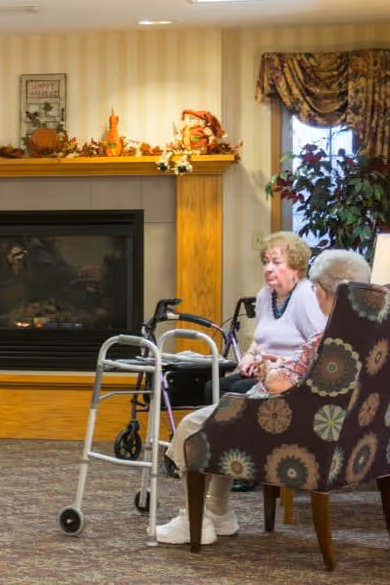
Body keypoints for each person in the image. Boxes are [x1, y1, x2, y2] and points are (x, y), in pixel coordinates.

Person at [157, 249, 371, 545]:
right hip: (342, 433)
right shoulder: (371, 333)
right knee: (222, 412)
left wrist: (268, 372)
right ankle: (219, 513)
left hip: (291, 429)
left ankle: (194, 522)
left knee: (195, 425)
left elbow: (281, 386)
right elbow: (317, 377)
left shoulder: (329, 337)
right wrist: (279, 365)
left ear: (320, 290)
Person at [208, 231, 326, 398]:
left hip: (287, 376)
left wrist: (280, 363)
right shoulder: (265, 294)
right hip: (261, 368)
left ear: (296, 268)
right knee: (213, 387)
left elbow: (318, 345)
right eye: (266, 262)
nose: (269, 269)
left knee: (234, 393)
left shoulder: (306, 295)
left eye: (277, 263)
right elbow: (261, 337)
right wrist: (249, 356)